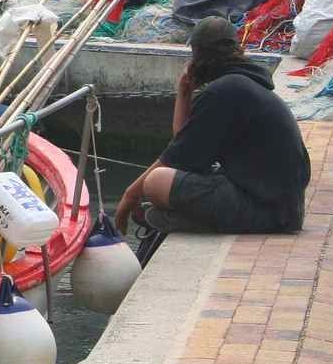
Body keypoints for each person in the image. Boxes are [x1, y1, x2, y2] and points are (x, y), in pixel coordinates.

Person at [115, 16, 310, 236]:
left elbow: (174, 160)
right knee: (163, 183)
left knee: (154, 183)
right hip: (283, 209)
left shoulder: (223, 91)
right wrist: (184, 93)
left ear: (198, 56)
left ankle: (183, 220)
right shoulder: (243, 84)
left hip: (266, 212)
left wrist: (129, 196)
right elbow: (183, 149)